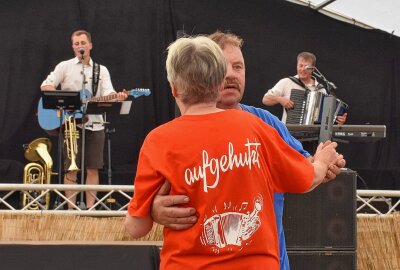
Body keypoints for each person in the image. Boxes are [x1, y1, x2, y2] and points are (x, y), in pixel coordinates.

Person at [125, 35, 340, 269]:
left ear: (174, 89)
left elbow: (136, 227)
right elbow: (305, 176)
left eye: (238, 67)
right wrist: (321, 163)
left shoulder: (159, 141)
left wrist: (148, 213)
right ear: (218, 82)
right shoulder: (257, 129)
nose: (233, 74)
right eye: (226, 67)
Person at [40, 30, 128, 209]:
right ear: (73, 47)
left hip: (95, 124)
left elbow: (108, 92)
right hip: (70, 124)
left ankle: (90, 209)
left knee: (93, 168)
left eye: (83, 43)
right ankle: (71, 209)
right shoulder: (64, 66)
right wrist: (65, 101)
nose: (80, 46)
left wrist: (117, 96)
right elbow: (46, 85)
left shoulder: (101, 70)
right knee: (71, 168)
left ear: (90, 45)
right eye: (76, 43)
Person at [262, 51, 347, 125]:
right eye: (300, 65)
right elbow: (265, 100)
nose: (302, 69)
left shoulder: (320, 89)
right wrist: (280, 99)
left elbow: (326, 119)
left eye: (306, 67)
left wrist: (337, 120)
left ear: (313, 69)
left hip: (313, 136)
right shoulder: (286, 82)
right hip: (289, 133)